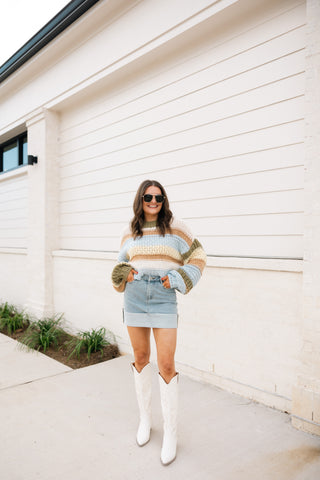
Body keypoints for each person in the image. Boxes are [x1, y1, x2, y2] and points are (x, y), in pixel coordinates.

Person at [111, 179, 206, 466]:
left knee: (166, 365)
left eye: (159, 197)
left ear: (164, 201)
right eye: (148, 197)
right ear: (140, 199)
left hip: (164, 298)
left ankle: (170, 434)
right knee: (141, 359)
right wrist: (124, 274)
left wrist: (177, 278)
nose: (154, 201)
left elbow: (198, 256)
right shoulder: (130, 231)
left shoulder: (177, 228)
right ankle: (145, 422)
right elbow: (118, 264)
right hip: (136, 297)